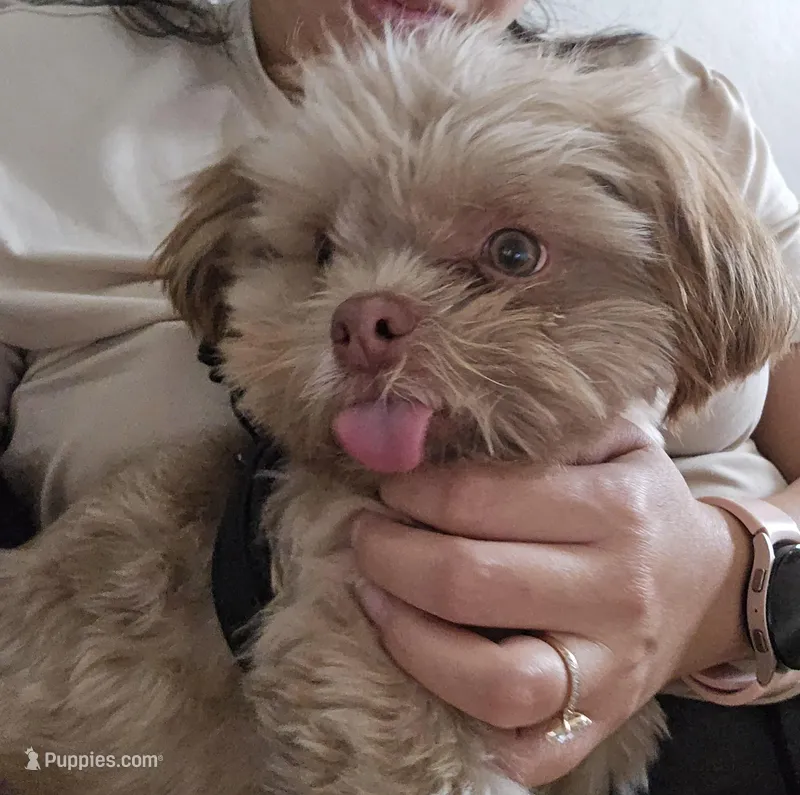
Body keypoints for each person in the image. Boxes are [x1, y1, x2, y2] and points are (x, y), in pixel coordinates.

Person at [1, 0, 799, 792]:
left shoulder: (669, 99)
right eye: (324, 256)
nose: (367, 320)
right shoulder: (35, 81)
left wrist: (736, 584)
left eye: (510, 256)